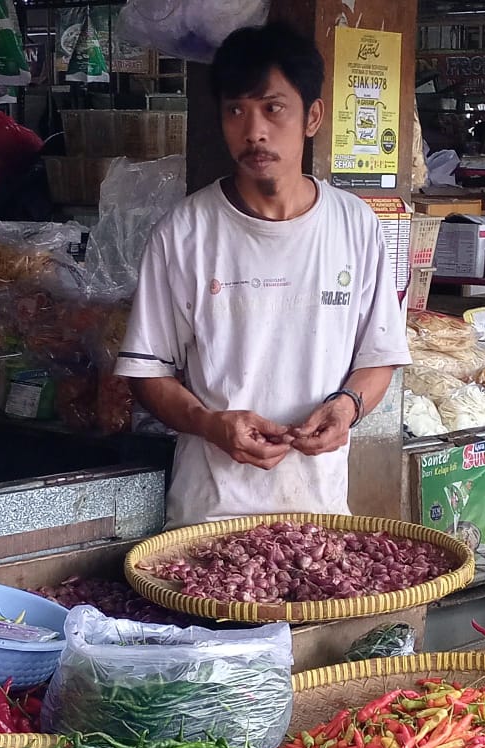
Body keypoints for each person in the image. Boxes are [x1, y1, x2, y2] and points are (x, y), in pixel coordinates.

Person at [115, 22, 410, 527]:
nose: (254, 131)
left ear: (312, 116)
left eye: (273, 108)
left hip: (319, 516)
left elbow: (378, 357)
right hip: (208, 515)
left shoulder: (355, 225)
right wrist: (210, 424)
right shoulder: (183, 232)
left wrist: (347, 406)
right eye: (236, 111)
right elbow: (147, 373)